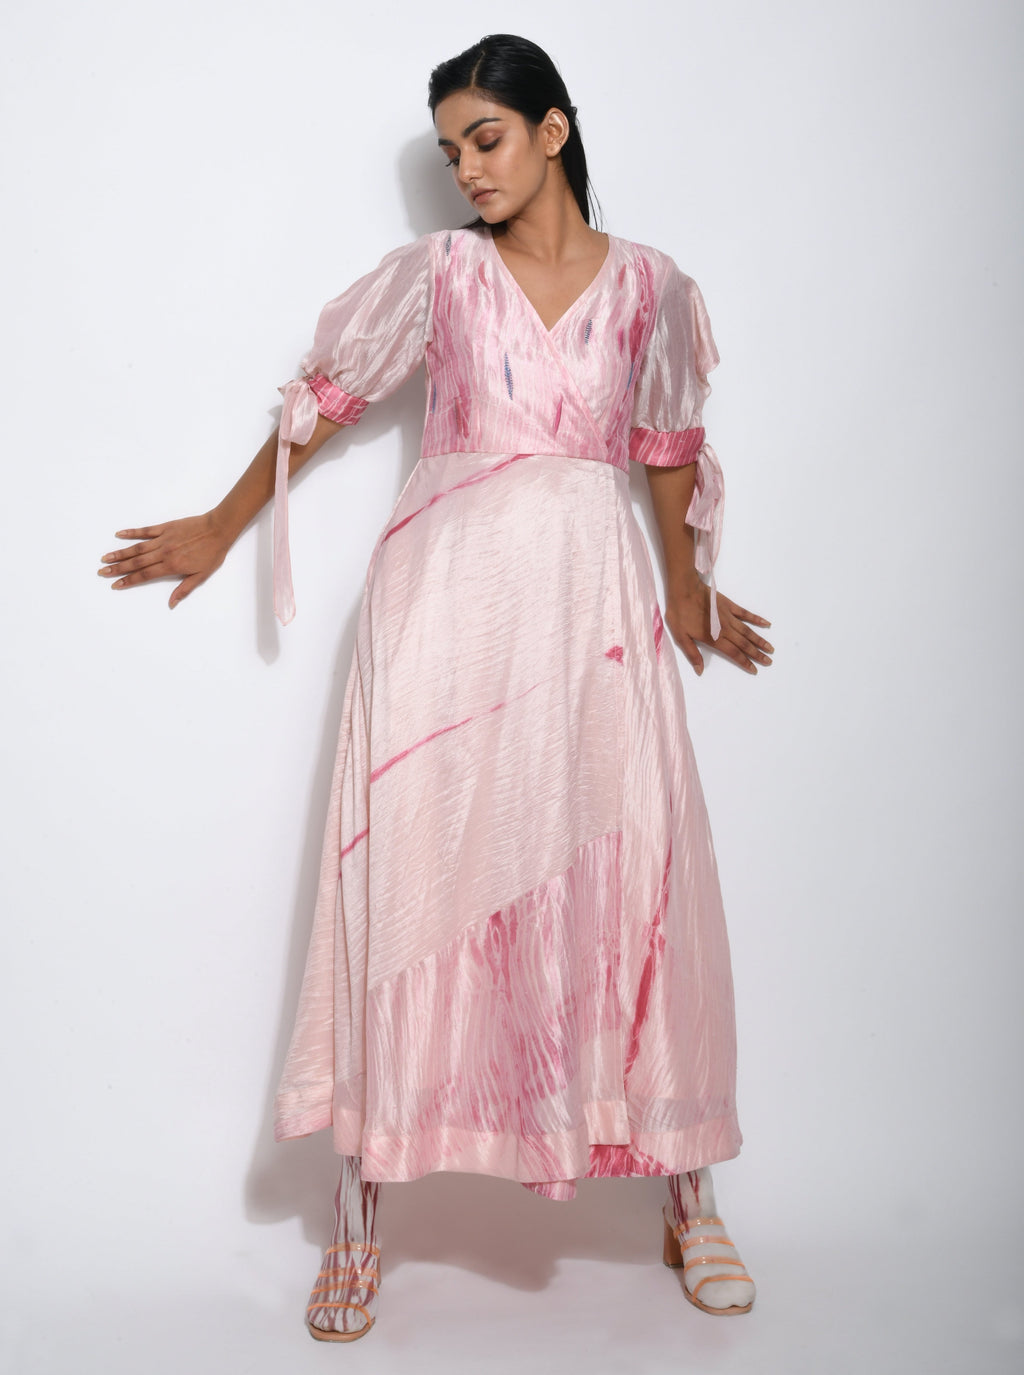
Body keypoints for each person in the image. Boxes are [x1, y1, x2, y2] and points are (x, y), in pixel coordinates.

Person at [98, 33, 773, 1343]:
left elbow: (665, 444)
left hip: (592, 614)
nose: (468, 169)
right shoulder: (439, 276)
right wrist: (221, 529)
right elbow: (328, 402)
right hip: (443, 611)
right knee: (408, 889)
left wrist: (689, 591)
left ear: (554, 131)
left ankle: (687, 1194)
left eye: (489, 137)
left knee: (635, 878)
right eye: (454, 148)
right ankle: (361, 1214)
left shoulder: (653, 285)